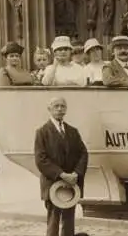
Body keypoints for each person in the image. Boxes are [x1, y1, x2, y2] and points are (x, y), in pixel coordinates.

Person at [34, 97, 88, 236]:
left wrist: (76, 174)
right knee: (53, 219)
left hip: (72, 183)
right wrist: (61, 174)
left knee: (69, 219)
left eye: (63, 106)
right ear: (49, 109)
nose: (59, 109)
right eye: (56, 106)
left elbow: (83, 153)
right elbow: (41, 159)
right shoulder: (42, 132)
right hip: (53, 183)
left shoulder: (73, 131)